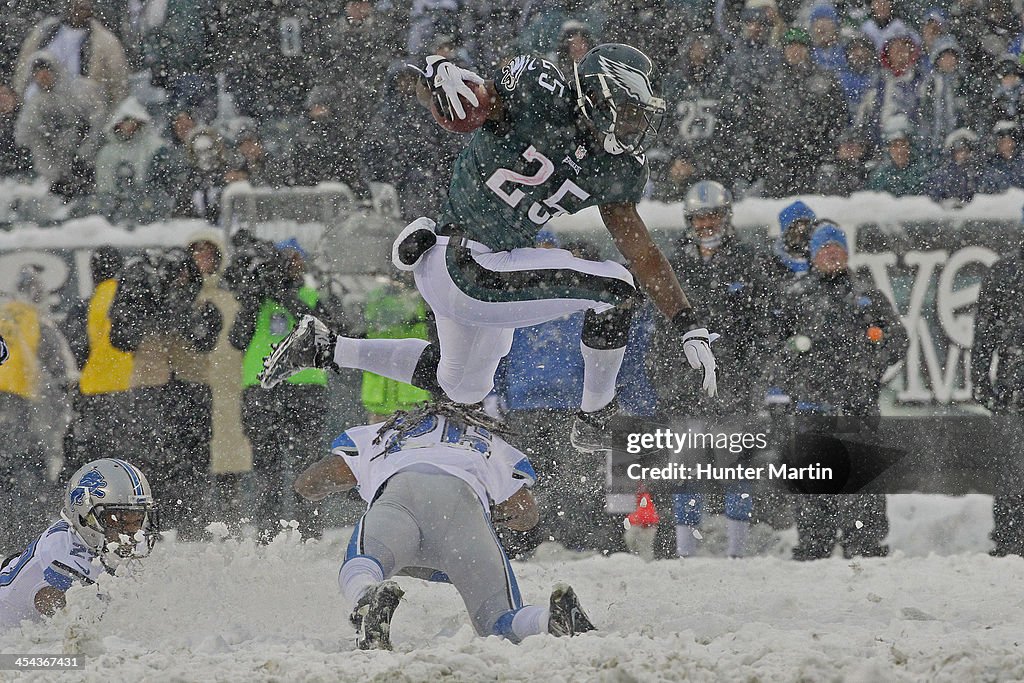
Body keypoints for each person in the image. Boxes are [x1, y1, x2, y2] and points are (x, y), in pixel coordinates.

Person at [260, 43, 719, 456]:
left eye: (641, 115)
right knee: (616, 288)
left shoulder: (613, 166)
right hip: (468, 261)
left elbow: (642, 250)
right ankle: (597, 416)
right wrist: (437, 80)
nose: (637, 126)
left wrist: (687, 321)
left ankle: (325, 347)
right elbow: (473, 104)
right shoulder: (540, 90)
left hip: (474, 268)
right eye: (630, 112)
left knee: (459, 385)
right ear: (597, 97)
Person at [293, 401, 595, 650]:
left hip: (402, 500)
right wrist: (492, 510)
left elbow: (310, 483)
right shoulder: (491, 442)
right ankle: (548, 620)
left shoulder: (383, 431)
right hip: (464, 514)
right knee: (499, 619)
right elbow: (525, 514)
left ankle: (365, 598)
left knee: (364, 564)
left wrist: (330, 488)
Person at [775, 222, 907, 560]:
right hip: (812, 408)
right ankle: (815, 544)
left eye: (837, 247)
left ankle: (864, 545)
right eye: (824, 248)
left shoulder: (868, 294)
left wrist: (871, 368)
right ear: (814, 255)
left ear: (847, 253)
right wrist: (795, 380)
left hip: (857, 407)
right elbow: (775, 347)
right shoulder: (796, 295)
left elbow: (898, 340)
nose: (831, 252)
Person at [0, 458, 157, 629]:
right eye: (117, 519)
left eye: (137, 519)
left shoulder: (96, 535)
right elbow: (84, 628)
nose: (131, 533)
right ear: (84, 515)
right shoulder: (61, 558)